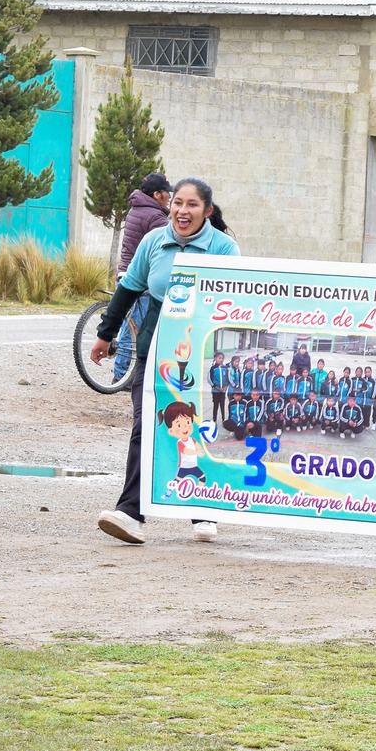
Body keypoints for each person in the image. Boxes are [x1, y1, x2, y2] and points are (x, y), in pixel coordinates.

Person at [93, 177, 240, 547]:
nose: (182, 211)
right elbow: (128, 289)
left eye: (192, 205)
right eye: (177, 203)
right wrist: (105, 334)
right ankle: (129, 512)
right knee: (146, 426)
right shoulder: (154, 242)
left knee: (196, 427)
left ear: (207, 211)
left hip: (200, 359)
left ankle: (203, 510)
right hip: (154, 351)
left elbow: (238, 304)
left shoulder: (224, 249)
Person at [108, 173, 172, 383]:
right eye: (167, 194)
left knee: (129, 324)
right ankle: (121, 376)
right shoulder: (156, 218)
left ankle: (120, 375)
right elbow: (164, 249)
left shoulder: (136, 209)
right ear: (157, 194)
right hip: (140, 276)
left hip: (124, 269)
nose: (169, 198)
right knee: (135, 327)